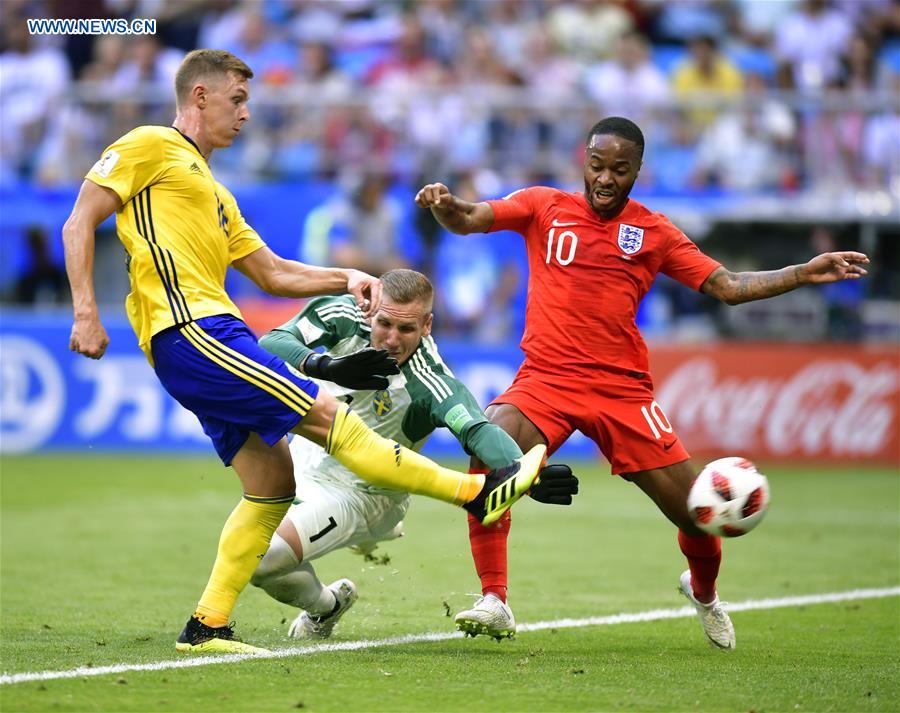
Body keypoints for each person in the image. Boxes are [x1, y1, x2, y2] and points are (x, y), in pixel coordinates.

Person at [62, 49, 560, 656]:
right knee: (329, 417)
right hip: (194, 329)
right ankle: (474, 494)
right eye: (236, 100)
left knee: (272, 481)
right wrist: (85, 310)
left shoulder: (214, 193)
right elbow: (79, 220)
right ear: (198, 96)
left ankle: (207, 626)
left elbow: (271, 273)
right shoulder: (148, 145)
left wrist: (345, 276)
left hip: (207, 336)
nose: (245, 114)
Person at [415, 116, 869, 650]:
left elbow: (728, 286)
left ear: (637, 172)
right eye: (597, 165)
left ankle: (704, 593)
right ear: (584, 162)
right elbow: (470, 216)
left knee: (699, 511)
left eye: (619, 169)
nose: (605, 179)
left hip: (622, 392)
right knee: (490, 448)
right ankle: (495, 599)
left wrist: (801, 273)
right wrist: (446, 207)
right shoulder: (544, 206)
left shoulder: (653, 231)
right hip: (547, 379)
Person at [250, 269, 577, 640]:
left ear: (427, 326)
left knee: (261, 558)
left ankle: (321, 606)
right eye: (385, 323)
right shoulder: (344, 316)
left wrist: (528, 472)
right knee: (248, 554)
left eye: (405, 329)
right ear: (372, 310)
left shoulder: (429, 380)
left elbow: (476, 429)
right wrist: (324, 365)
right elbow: (272, 341)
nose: (390, 339)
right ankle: (329, 605)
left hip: (361, 493)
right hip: (303, 458)